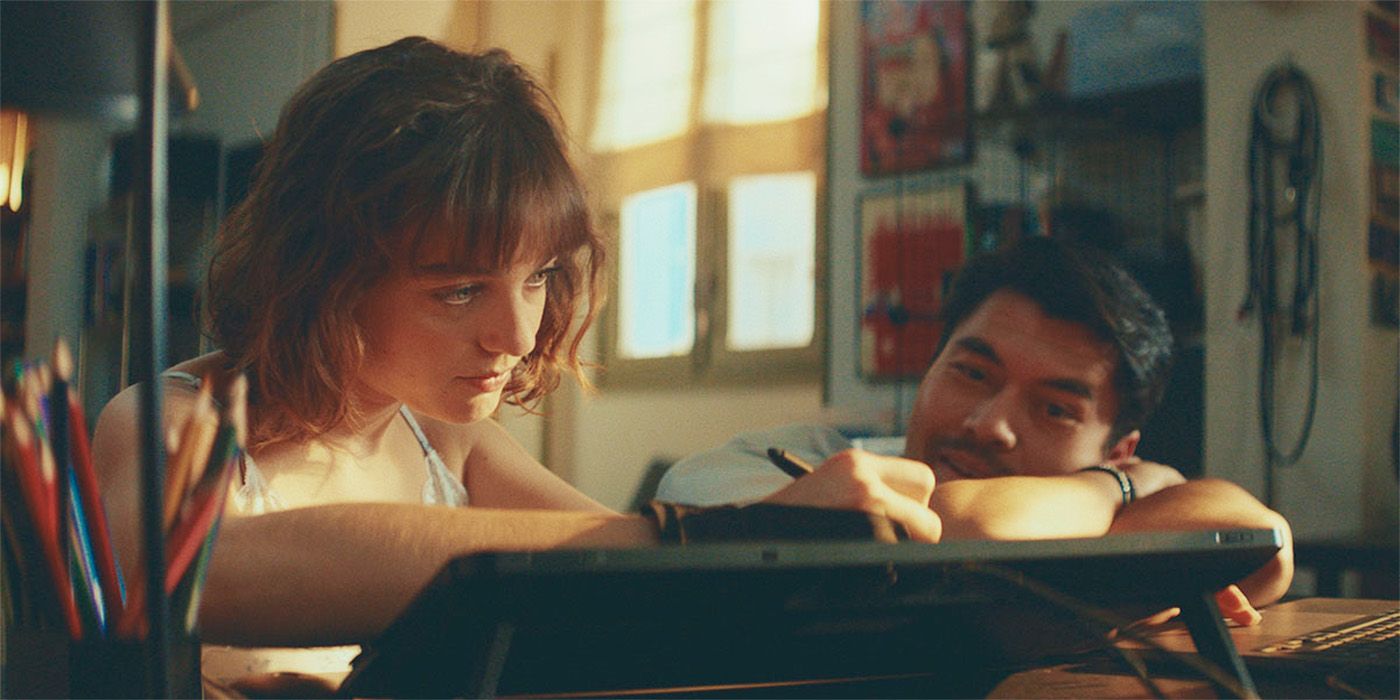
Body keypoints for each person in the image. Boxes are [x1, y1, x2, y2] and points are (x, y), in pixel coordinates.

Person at [91, 38, 940, 685]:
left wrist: (772, 544)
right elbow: (194, 568)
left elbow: (606, 577)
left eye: (534, 278)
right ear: (325, 272)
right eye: (460, 290)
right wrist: (697, 535)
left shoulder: (450, 441)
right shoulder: (169, 423)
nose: (519, 334)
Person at [657, 236, 1294, 622]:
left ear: (1118, 448)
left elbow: (1264, 546)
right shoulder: (770, 465)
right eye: (971, 373)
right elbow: (969, 530)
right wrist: (1116, 493)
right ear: (930, 367)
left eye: (1053, 409)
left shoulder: (1111, 492)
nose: (989, 424)